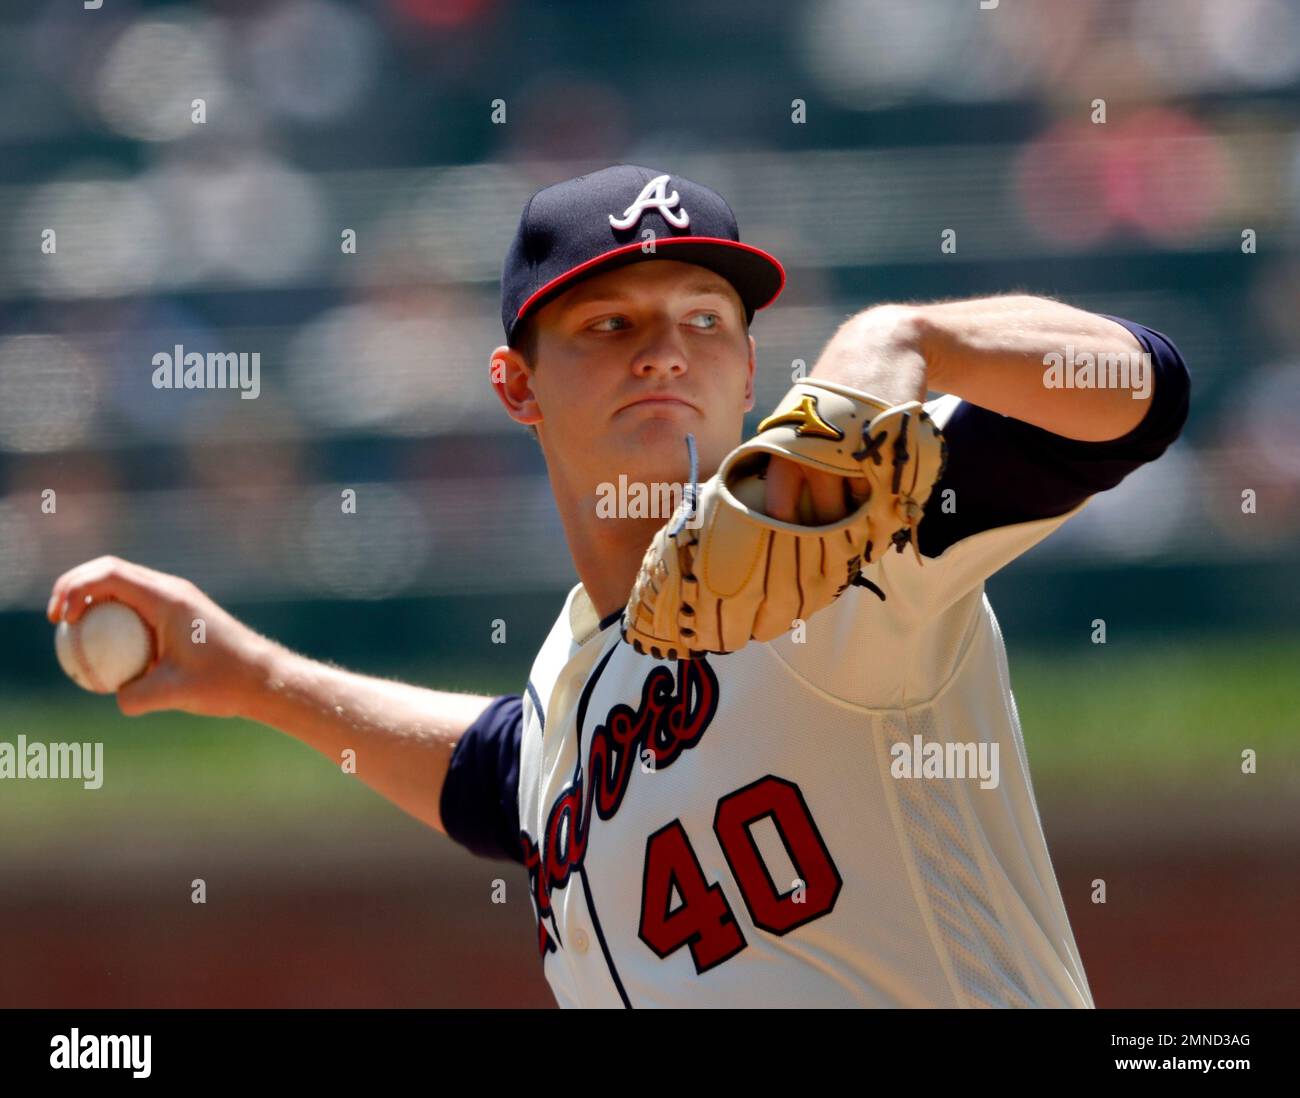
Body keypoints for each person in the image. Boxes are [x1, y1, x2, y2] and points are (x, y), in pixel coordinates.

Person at [48, 165, 1190, 1008]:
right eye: (610, 323)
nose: (665, 353)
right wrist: (255, 676)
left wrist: (913, 337)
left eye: (706, 320)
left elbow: (1140, 398)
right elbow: (501, 777)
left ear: (750, 367)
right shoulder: (570, 681)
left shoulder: (850, 527)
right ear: (516, 386)